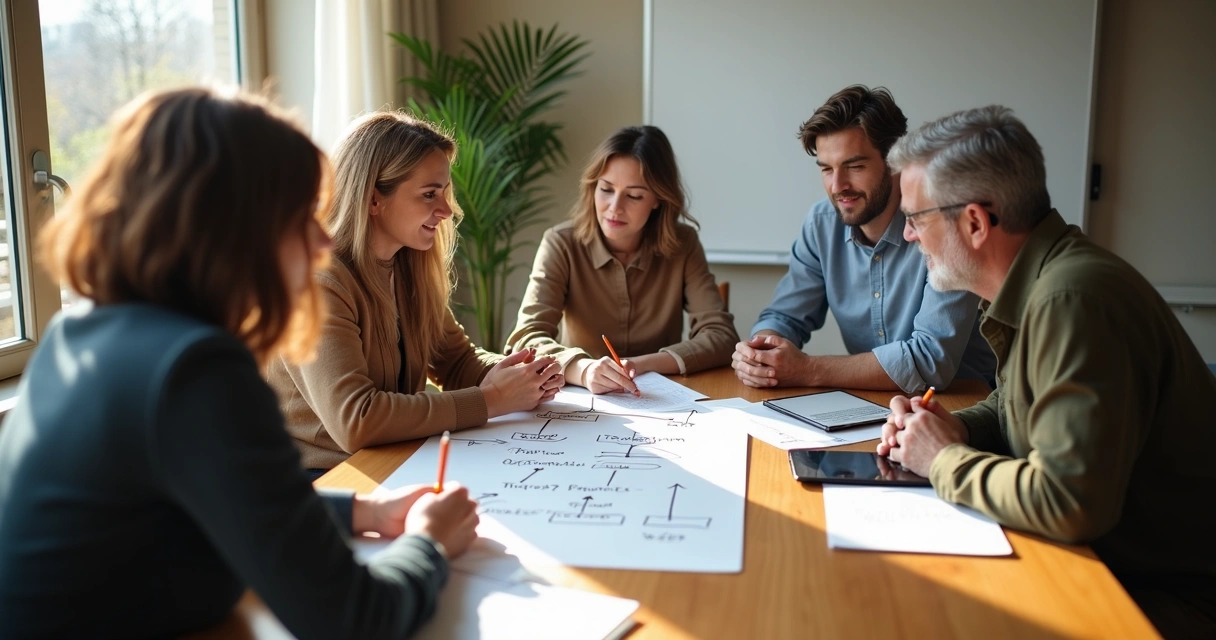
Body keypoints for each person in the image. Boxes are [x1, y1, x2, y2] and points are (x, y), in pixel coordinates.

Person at [0, 88, 480, 639]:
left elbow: (210, 507)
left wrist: (363, 514)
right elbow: (353, 619)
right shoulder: (195, 370)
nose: (324, 239)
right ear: (233, 225)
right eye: (302, 215)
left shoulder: (83, 333)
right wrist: (430, 543)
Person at [878, 105, 1216, 638]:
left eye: (916, 218)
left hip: (1159, 596)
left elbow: (1067, 502)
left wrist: (942, 458)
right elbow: (1018, 402)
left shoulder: (1071, 300)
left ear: (974, 221)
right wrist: (954, 427)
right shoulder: (1043, 279)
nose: (910, 236)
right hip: (1104, 566)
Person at [268, 112, 565, 474]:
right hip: (325, 483)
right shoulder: (318, 282)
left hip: (393, 462)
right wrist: (493, 399)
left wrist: (526, 374)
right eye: (429, 195)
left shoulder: (409, 267)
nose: (446, 210)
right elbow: (356, 420)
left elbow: (457, 363)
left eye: (445, 192)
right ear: (374, 199)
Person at [732, 85, 995, 393]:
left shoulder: (943, 226)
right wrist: (761, 352)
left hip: (959, 405)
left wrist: (807, 369)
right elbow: (784, 316)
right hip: (868, 405)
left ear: (895, 161)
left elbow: (931, 360)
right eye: (827, 169)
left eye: (854, 166)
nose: (838, 186)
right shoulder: (821, 225)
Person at [505, 125, 738, 395]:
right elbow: (525, 338)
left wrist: (641, 365)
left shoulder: (683, 244)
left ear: (657, 200)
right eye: (606, 189)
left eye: (634, 195)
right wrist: (584, 369)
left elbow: (721, 336)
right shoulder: (561, 243)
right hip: (582, 398)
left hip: (665, 399)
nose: (614, 207)